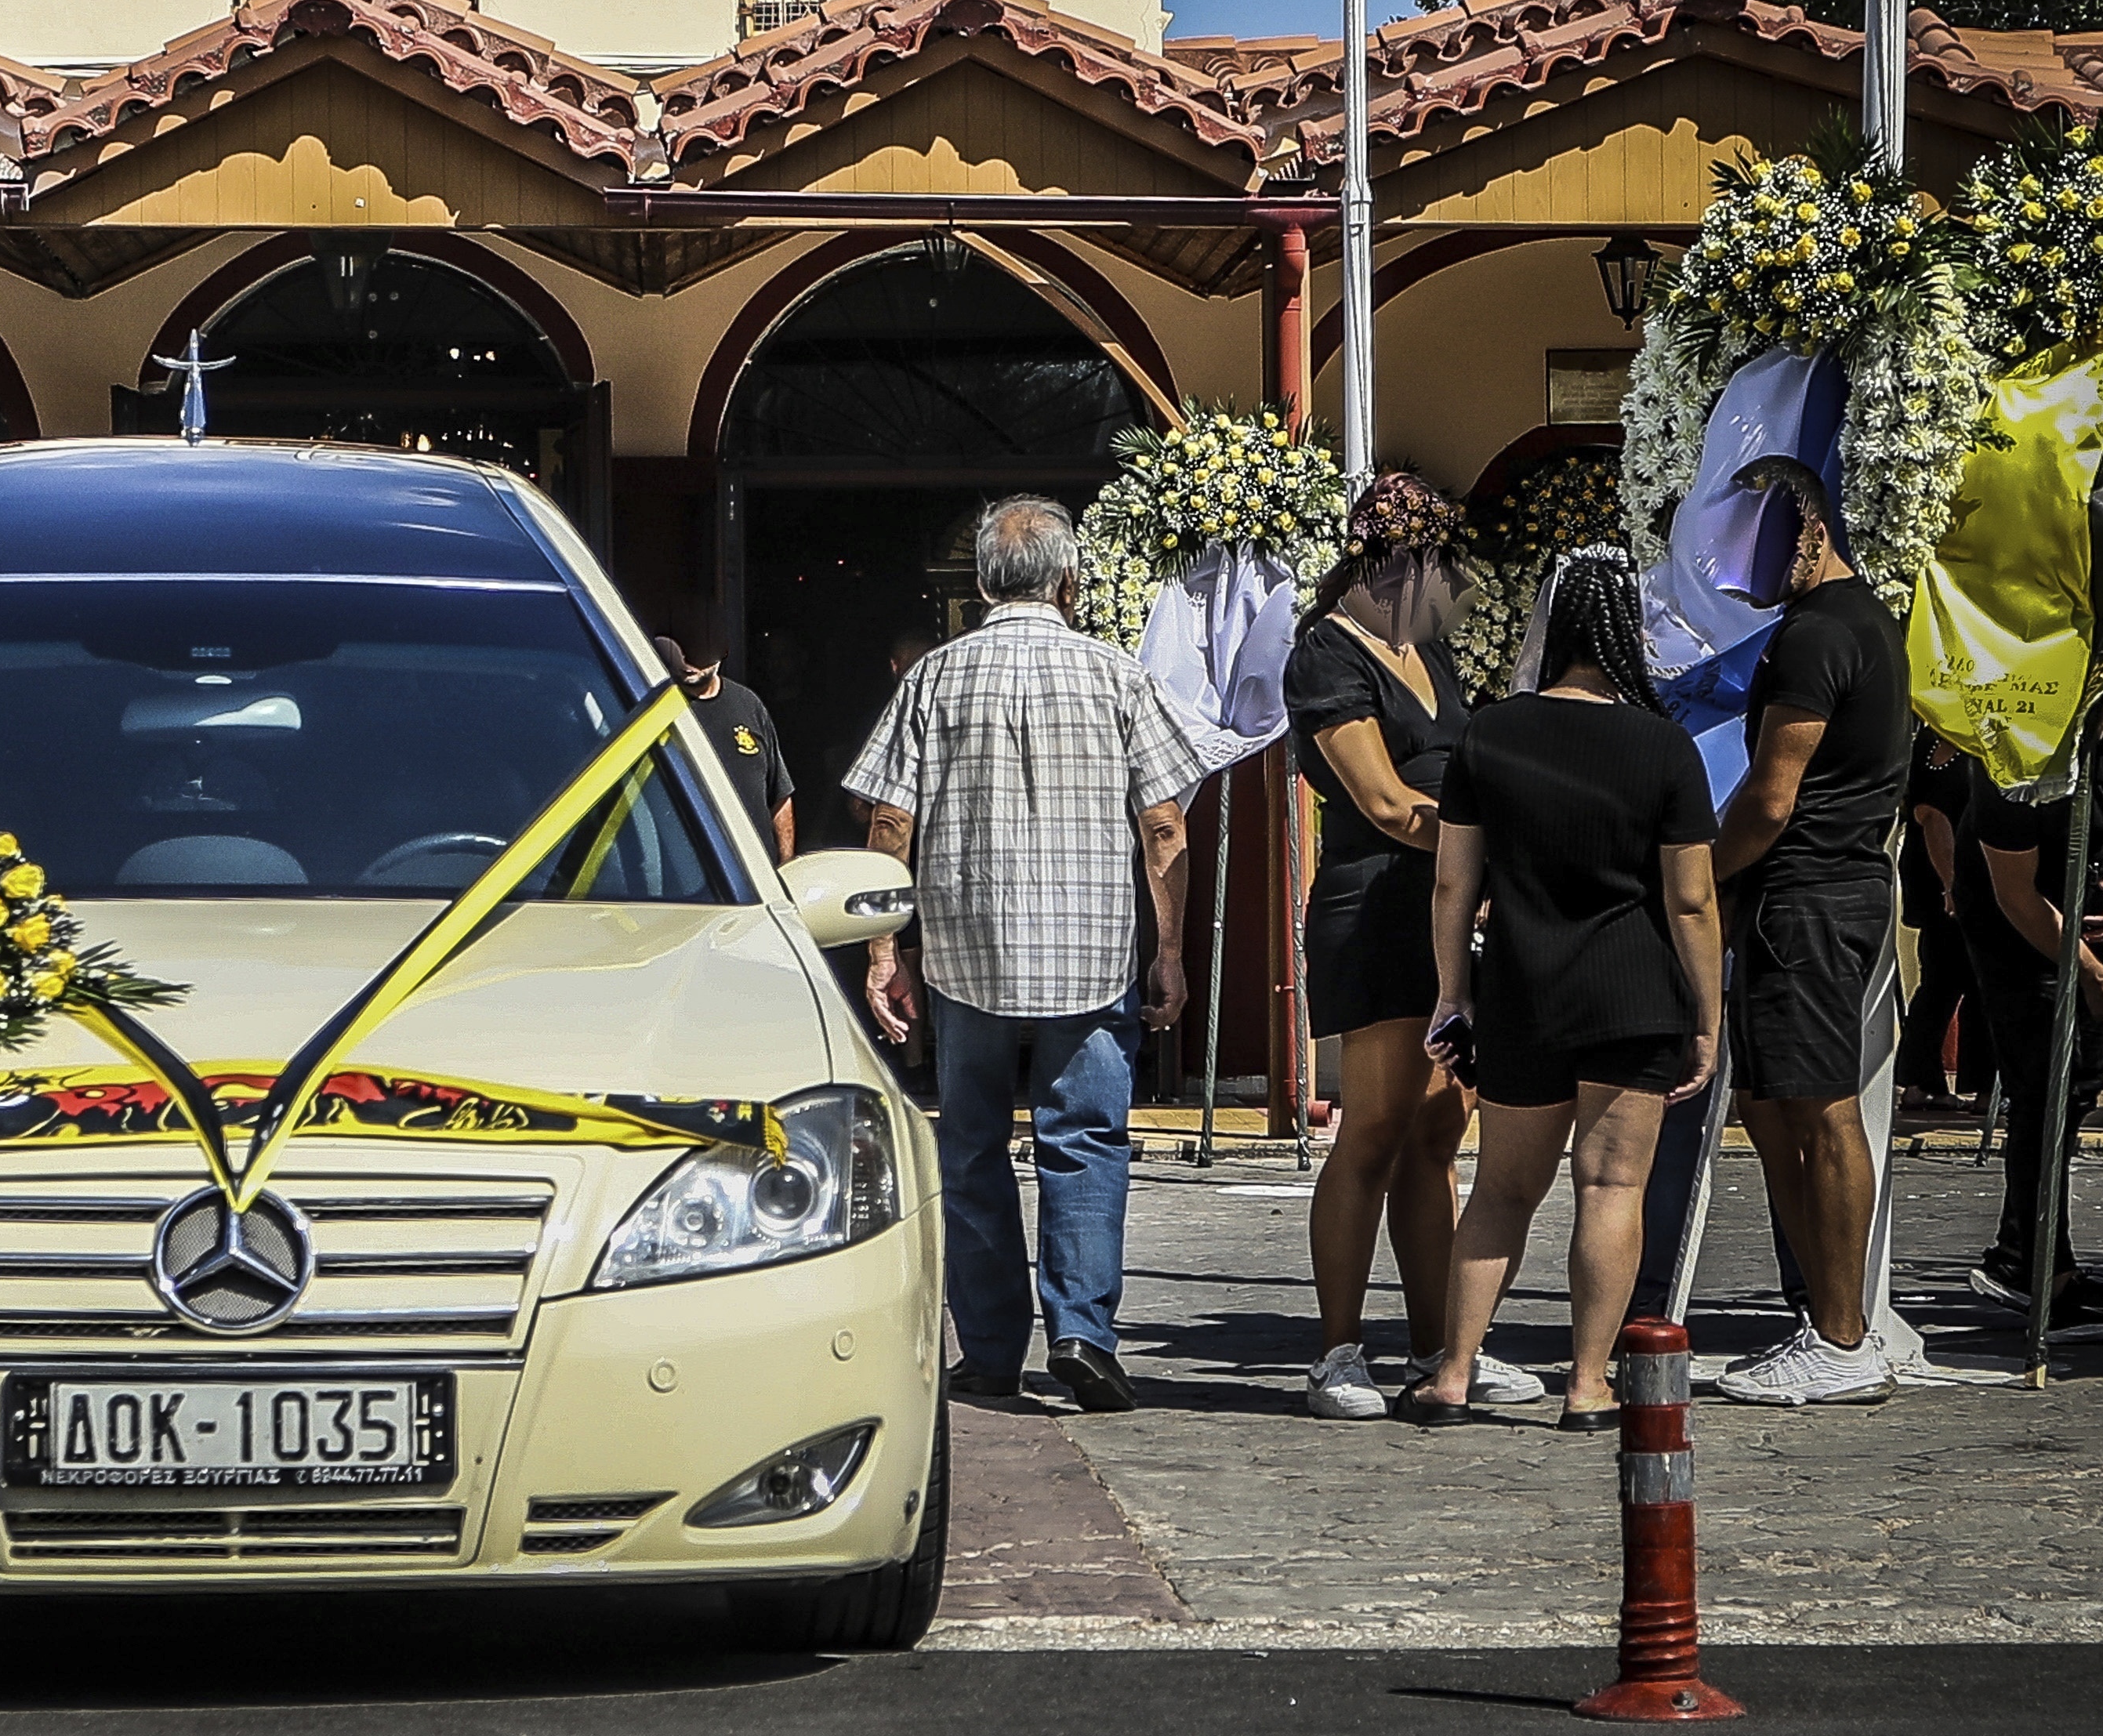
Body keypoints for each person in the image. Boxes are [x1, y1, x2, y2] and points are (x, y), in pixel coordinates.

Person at [845, 495, 1209, 1415]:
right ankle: (1082, 1332)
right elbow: (1163, 825)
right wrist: (1166, 950)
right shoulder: (1114, 676)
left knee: (970, 1148)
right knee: (1084, 1141)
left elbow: (890, 820)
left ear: (978, 582)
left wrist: (883, 946)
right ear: (1068, 580)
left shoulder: (934, 678)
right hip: (1091, 953)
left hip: (967, 953)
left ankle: (993, 1351)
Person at [1404, 550, 1723, 1427]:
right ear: (1627, 631)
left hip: (1521, 987)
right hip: (1632, 991)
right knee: (1610, 1189)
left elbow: (1450, 885)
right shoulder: (1661, 745)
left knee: (1502, 1188)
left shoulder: (1489, 734)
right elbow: (1689, 898)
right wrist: (1707, 1014)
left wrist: (1450, 992)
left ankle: (1454, 1372)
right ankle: (1586, 1385)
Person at [1283, 473, 1537, 1419]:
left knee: (1437, 1134)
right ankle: (1337, 1348)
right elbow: (1386, 802)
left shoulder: (1425, 651)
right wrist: (1491, 842)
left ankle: (1441, 1344)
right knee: (1375, 1129)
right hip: (1375, 907)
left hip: (1445, 910)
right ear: (1393, 562)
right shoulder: (1326, 656)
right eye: (1435, 565)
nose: (1444, 583)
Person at [1703, 458, 1910, 1406]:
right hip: (1822, 889)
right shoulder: (1853, 625)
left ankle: (1840, 1333)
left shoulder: (1821, 633)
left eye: (1765, 540)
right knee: (1769, 1100)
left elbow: (1770, 796)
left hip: (1810, 892)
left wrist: (1698, 874)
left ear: (1815, 531)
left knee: (1818, 1104)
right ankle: (1823, 1318)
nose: (1747, 564)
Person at [1961, 653, 2103, 1343]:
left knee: (2082, 1078)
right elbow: (2014, 893)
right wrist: (2090, 974)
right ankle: (2041, 1273)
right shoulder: (2012, 733)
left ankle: (2021, 1254)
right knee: (2045, 1080)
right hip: (2021, 912)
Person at [1898, 733, 1992, 1123]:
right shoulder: (1958, 750)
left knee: (1941, 981)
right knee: (1975, 982)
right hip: (1954, 876)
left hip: (1940, 875)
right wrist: (1953, 883)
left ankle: (1923, 1081)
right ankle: (1983, 1085)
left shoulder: (1926, 742)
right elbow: (1933, 816)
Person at [655, 633, 796, 857]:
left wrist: (787, 867)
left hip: (756, 873)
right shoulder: (654, 708)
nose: (688, 660)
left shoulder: (748, 705)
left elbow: (780, 796)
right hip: (690, 876)